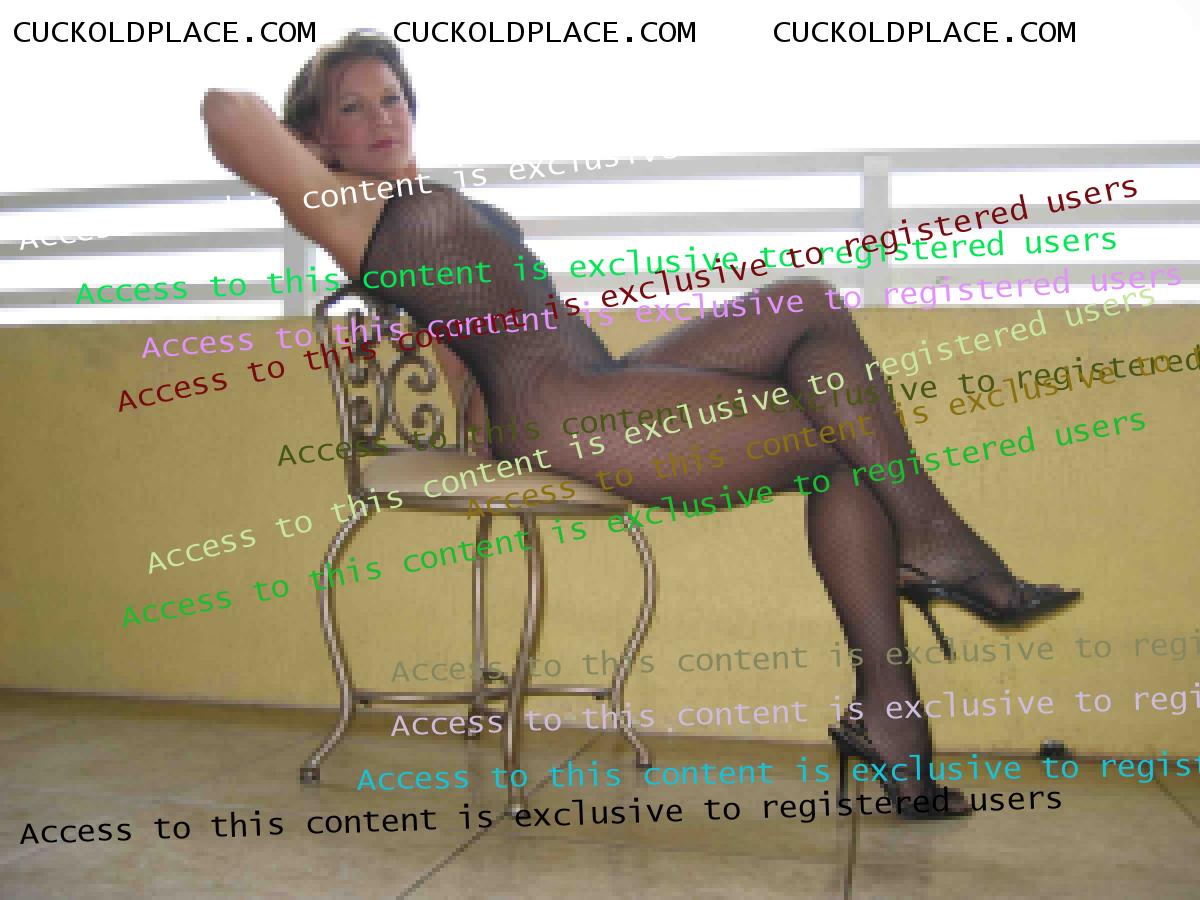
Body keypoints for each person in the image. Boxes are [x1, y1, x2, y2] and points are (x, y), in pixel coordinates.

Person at [202, 30, 1079, 819]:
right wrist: (304, 158)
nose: (381, 117)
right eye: (351, 108)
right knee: (847, 442)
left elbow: (469, 339)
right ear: (315, 136)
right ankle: (923, 602)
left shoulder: (418, 202)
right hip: (561, 411)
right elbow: (224, 110)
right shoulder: (334, 204)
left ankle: (910, 625)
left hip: (595, 378)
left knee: (809, 307)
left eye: (391, 98)